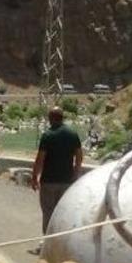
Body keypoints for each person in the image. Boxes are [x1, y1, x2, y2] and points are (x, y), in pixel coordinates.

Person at [30, 106, 83, 248]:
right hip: (67, 180)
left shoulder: (48, 135)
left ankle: (48, 241)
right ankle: (62, 241)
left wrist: (35, 176)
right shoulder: (72, 134)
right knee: (63, 211)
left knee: (48, 211)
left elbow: (40, 159)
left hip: (49, 181)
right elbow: (79, 156)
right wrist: (76, 174)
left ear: (51, 118)